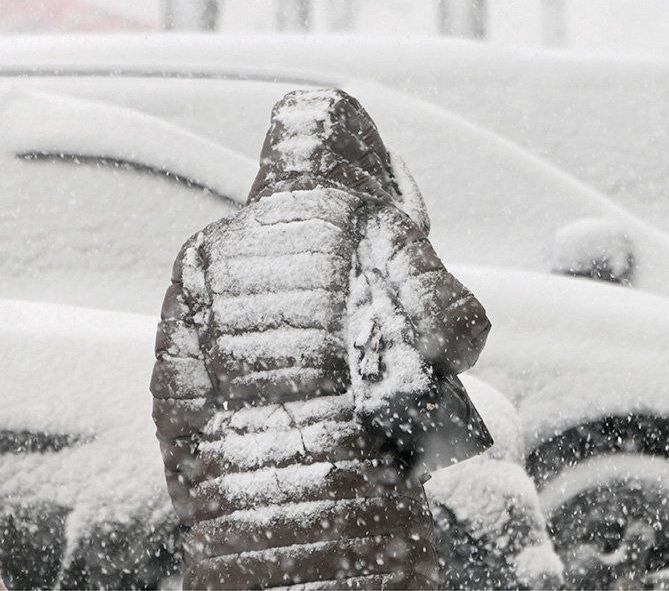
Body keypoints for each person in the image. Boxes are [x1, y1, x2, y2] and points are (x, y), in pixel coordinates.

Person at [151, 88, 492, 589]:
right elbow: (459, 331)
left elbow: (178, 412)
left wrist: (204, 512)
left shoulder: (204, 251)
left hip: (238, 523)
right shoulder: (374, 225)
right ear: (364, 154)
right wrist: (414, 234)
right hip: (364, 519)